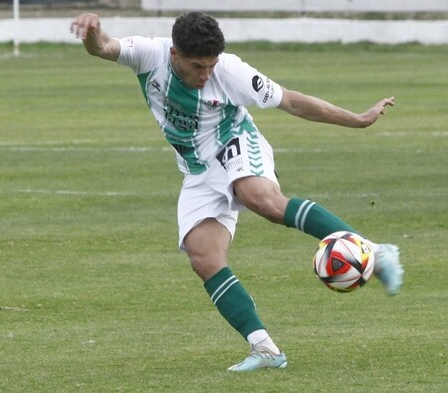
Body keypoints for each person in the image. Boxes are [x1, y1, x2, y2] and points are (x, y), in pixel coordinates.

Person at [71, 11, 404, 372]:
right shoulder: (149, 54)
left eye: (211, 65)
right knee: (203, 256)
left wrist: (357, 118)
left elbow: (291, 101)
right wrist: (93, 33)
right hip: (197, 169)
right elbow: (102, 47)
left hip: (236, 143)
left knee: (260, 199)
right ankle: (265, 349)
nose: (206, 74)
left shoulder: (230, 71)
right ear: (174, 55)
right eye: (198, 66)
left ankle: (374, 250)